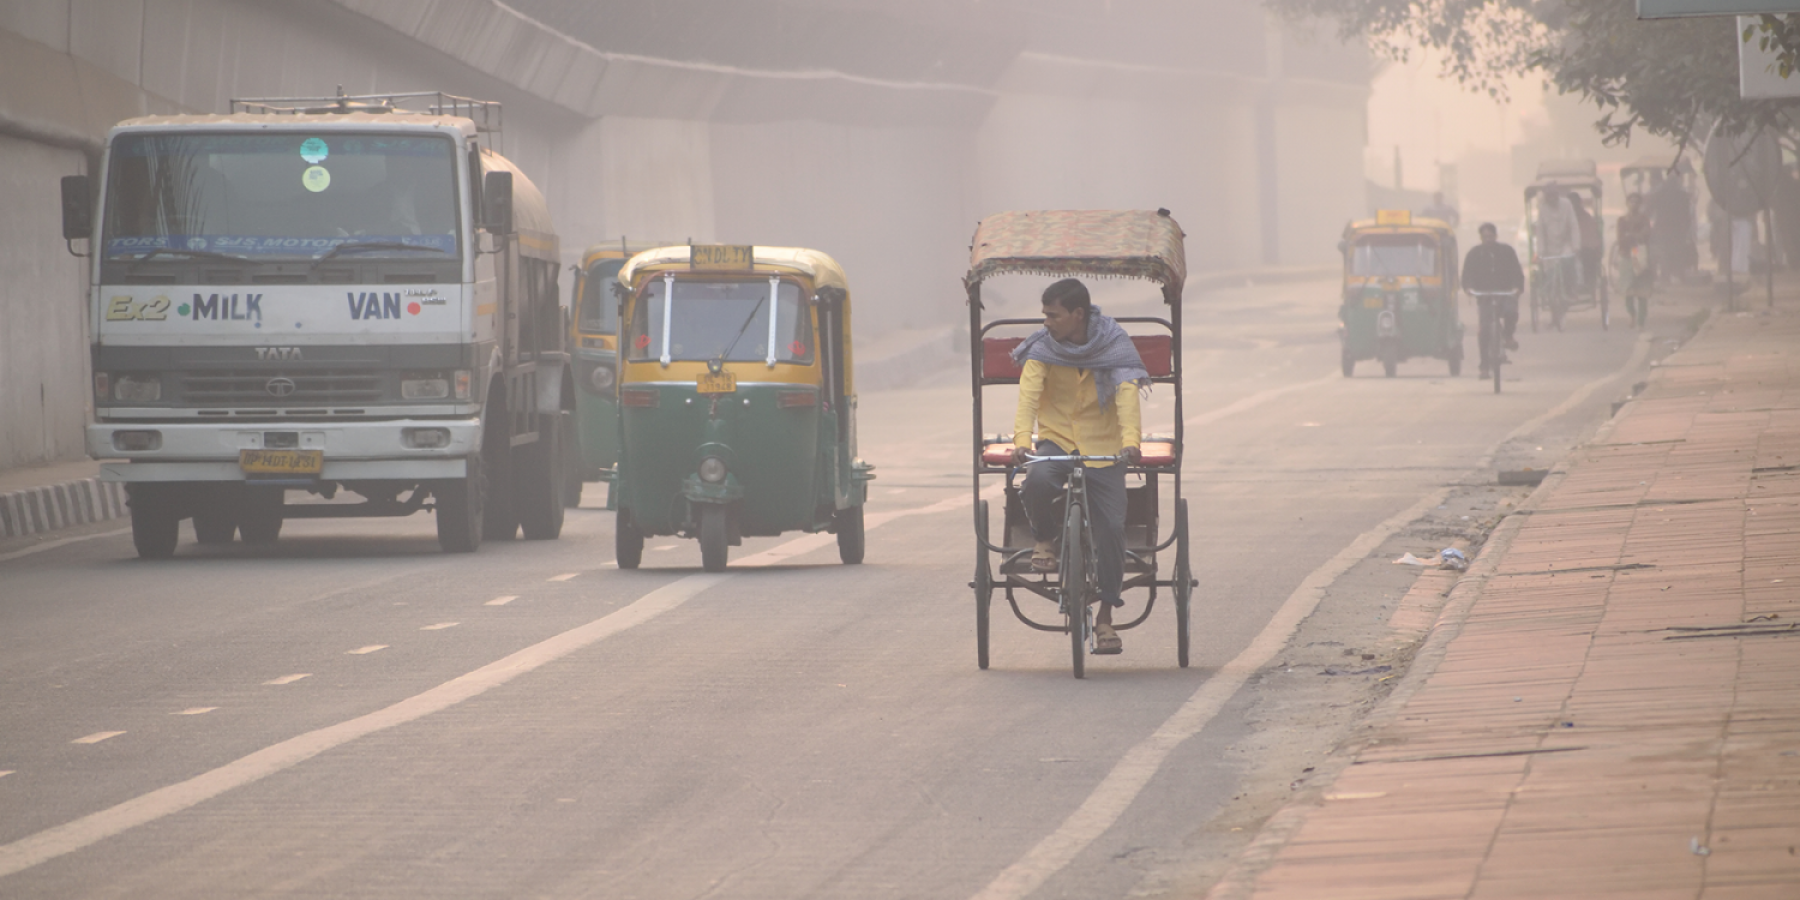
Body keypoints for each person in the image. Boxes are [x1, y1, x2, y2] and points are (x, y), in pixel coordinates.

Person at [1010, 279, 1146, 655]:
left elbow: (1127, 393)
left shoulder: (1114, 344)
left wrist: (1131, 442)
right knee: (1036, 480)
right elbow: (1029, 395)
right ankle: (1044, 536)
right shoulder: (1042, 347)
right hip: (1057, 441)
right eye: (1045, 315)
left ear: (1078, 315)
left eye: (1054, 315)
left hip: (1105, 447)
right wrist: (1022, 441)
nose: (1048, 322)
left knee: (1112, 526)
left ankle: (1105, 616)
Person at [1462, 222, 1525, 379]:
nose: (1488, 239)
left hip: (1505, 294)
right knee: (1484, 331)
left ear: (1496, 236)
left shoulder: (1507, 251)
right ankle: (1484, 366)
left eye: (1491, 236)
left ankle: (1508, 336)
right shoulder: (1474, 254)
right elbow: (1466, 275)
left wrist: (1517, 288)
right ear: (1481, 238)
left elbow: (1517, 272)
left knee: (1511, 312)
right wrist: (1469, 288)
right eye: (1485, 237)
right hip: (1484, 296)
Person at [1535, 186, 1582, 307]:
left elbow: (1573, 225)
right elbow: (1540, 231)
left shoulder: (1566, 204)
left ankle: (1571, 290)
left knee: (1568, 263)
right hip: (1549, 247)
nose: (1551, 199)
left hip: (1565, 243)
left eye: (1553, 196)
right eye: (1548, 196)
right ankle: (1548, 292)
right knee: (1549, 273)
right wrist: (1541, 251)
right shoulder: (1543, 208)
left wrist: (1576, 245)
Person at [1615, 193, 1654, 329]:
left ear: (1640, 204)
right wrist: (1633, 237)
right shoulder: (1622, 220)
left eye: (1637, 202)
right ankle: (1632, 314)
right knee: (1628, 290)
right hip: (1626, 256)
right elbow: (1621, 239)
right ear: (1627, 203)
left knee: (1642, 292)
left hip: (1641, 256)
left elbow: (1646, 235)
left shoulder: (1644, 219)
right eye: (1631, 202)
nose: (1634, 204)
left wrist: (1632, 236)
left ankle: (1641, 321)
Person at [1569, 194, 1603, 294]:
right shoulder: (1563, 216)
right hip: (1565, 248)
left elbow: (1591, 235)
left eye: (1574, 203)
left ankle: (1587, 285)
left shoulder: (1586, 217)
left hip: (1584, 247)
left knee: (1588, 257)